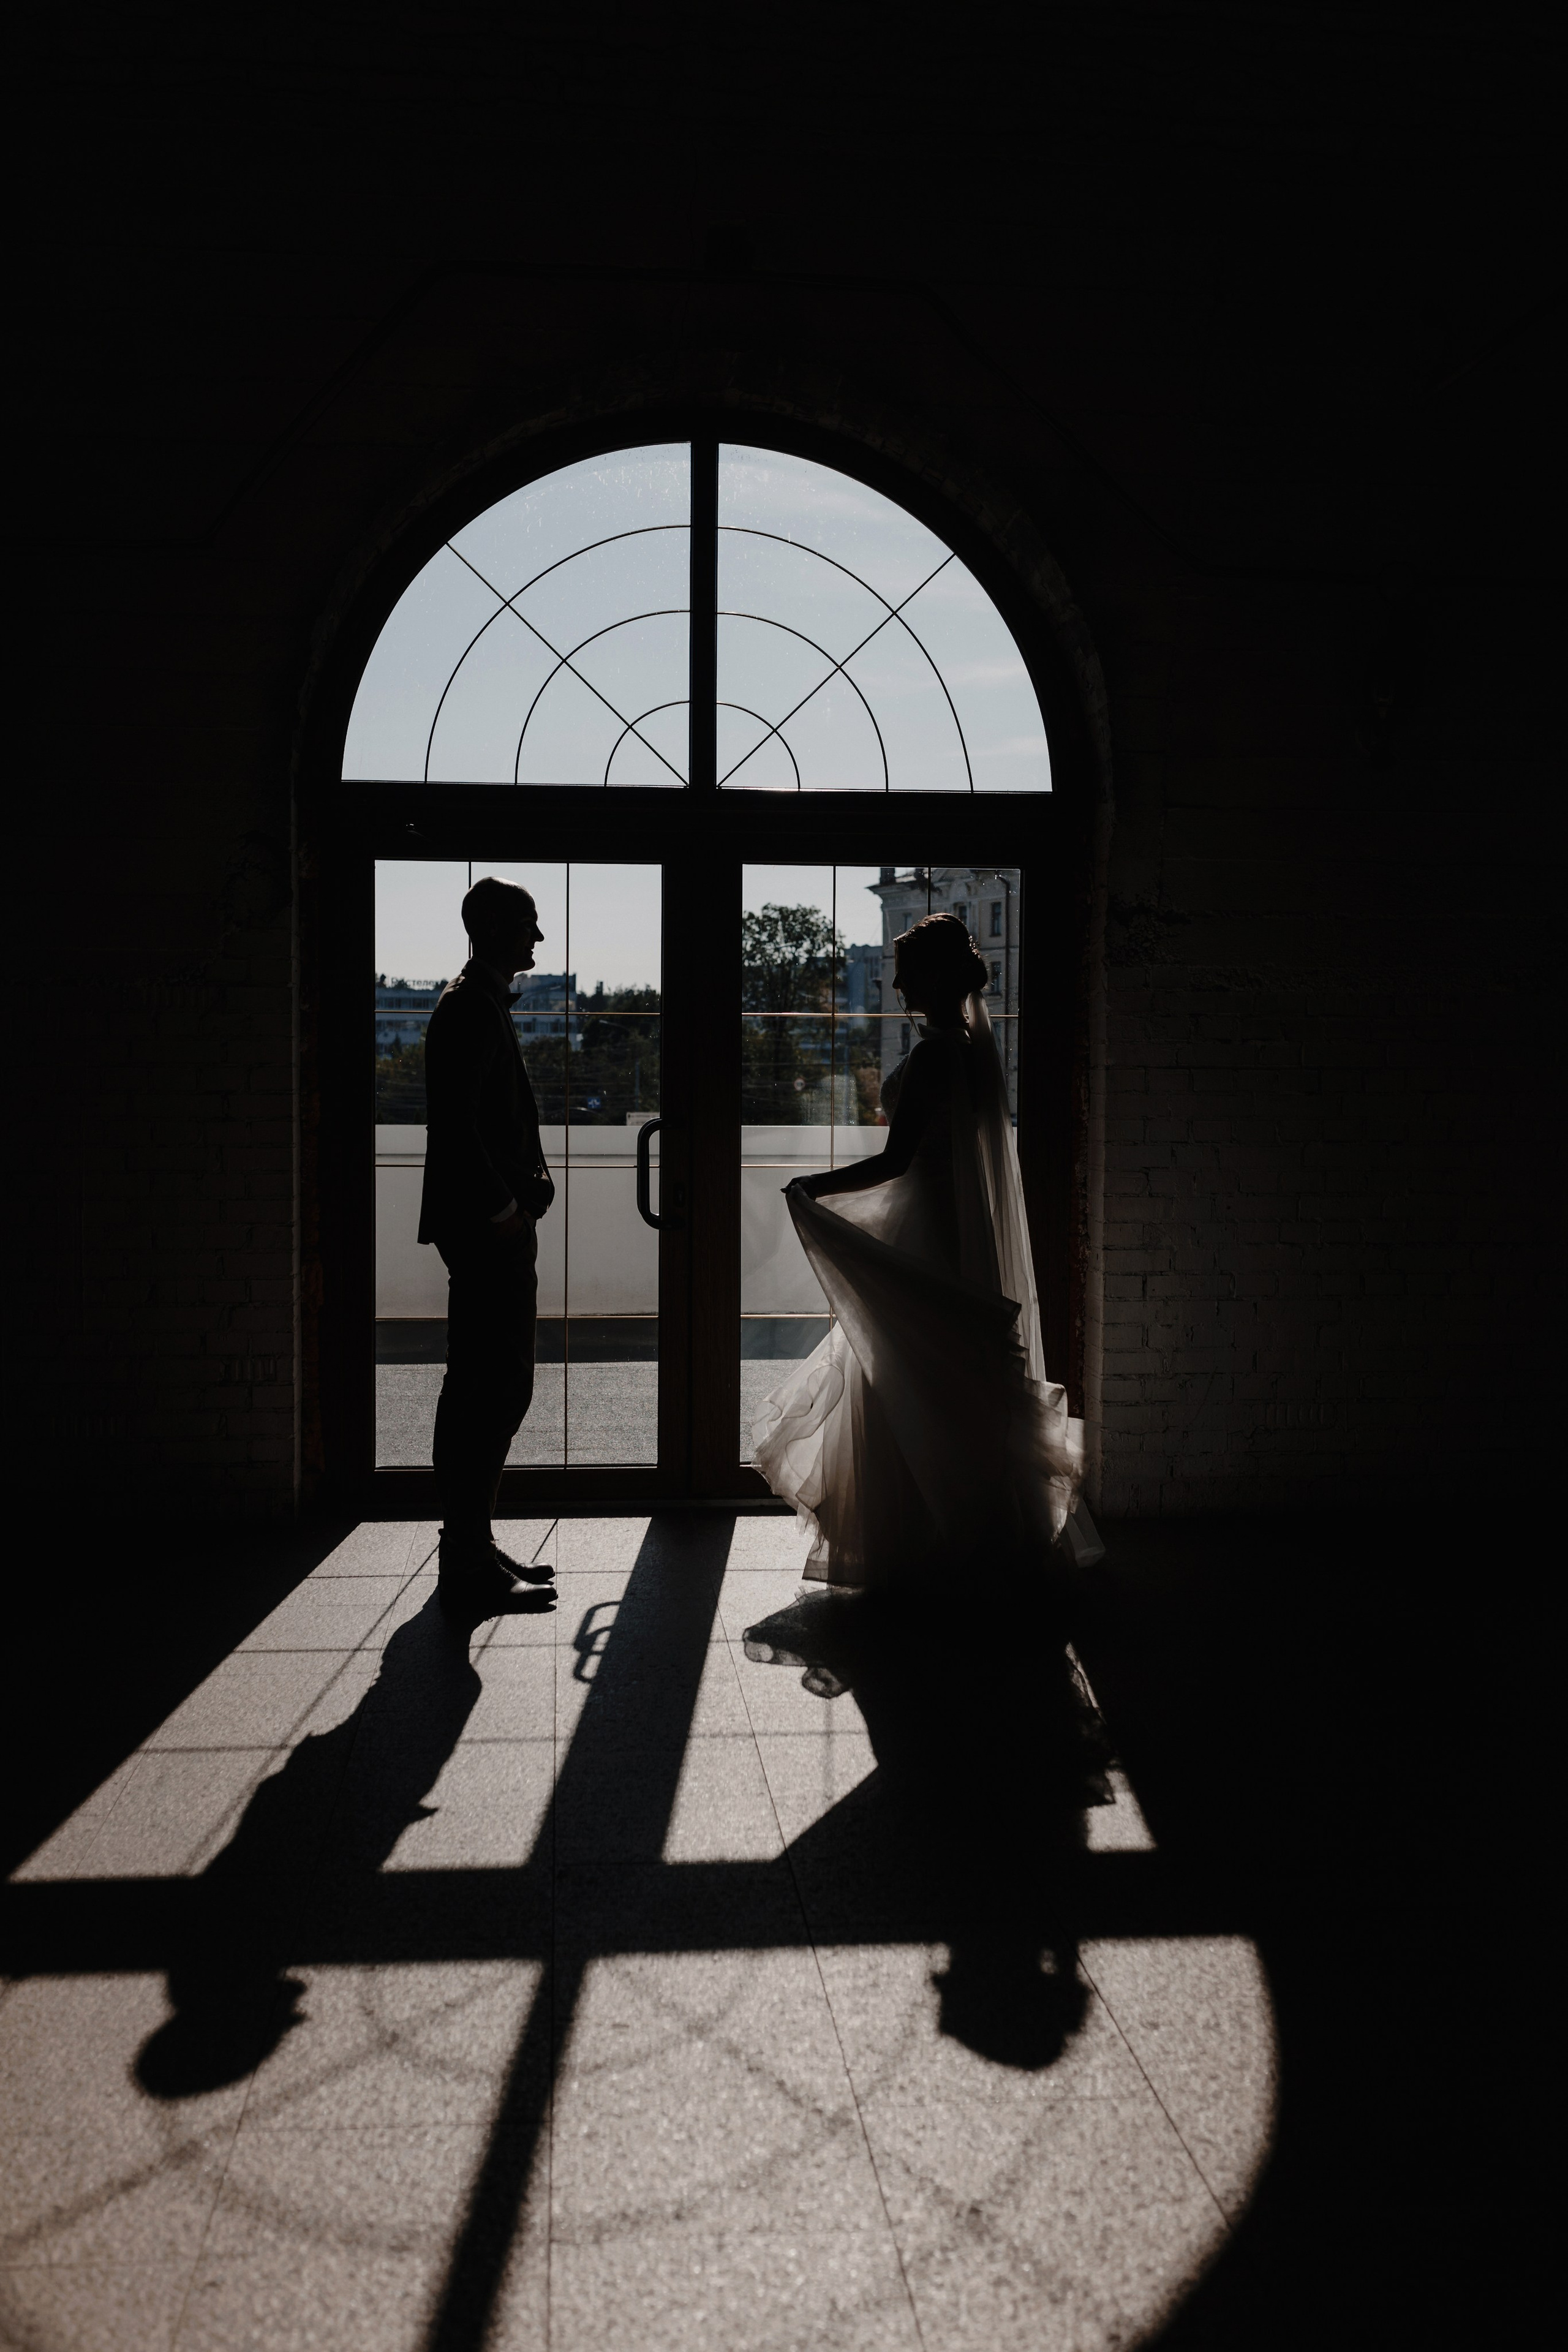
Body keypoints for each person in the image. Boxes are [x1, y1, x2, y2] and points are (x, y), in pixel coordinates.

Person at [752, 911, 1103, 1594]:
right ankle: (973, 1541)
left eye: (905, 971)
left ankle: (927, 1547)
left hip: (927, 1234)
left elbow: (895, 1160)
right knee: (949, 1380)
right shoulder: (966, 1049)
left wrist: (812, 1187)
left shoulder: (938, 1053)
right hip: (941, 1225)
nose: (893, 983)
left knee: (915, 1379)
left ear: (935, 977)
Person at [418, 875, 558, 1616]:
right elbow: (457, 1125)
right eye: (528, 925)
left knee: (486, 1385)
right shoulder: (469, 1008)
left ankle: (472, 1542)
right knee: (491, 1387)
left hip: (484, 1224)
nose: (538, 937)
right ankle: (466, 1558)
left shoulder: (472, 1002)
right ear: (497, 929)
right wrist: (504, 1208)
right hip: (486, 1228)